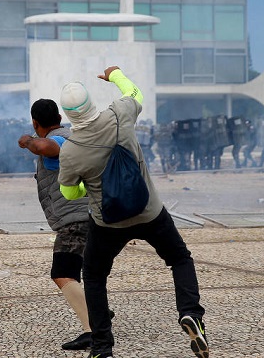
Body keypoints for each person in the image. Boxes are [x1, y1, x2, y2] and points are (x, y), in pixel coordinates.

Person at [58, 66, 208, 358]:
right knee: (179, 258)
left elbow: (69, 192)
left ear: (69, 115)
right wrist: (115, 74)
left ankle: (102, 347)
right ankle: (191, 315)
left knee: (95, 276)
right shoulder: (118, 114)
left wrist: (91, 188)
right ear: (90, 103)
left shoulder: (71, 150)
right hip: (149, 210)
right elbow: (134, 93)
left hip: (108, 222)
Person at [17, 98, 93, 351]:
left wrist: (28, 141)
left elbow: (46, 146)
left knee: (62, 274)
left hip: (75, 220)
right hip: (90, 216)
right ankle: (97, 310)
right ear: (59, 117)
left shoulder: (61, 138)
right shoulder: (74, 135)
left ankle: (93, 329)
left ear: (36, 122)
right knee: (86, 273)